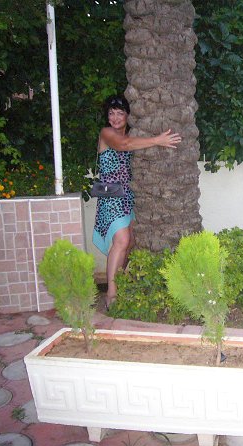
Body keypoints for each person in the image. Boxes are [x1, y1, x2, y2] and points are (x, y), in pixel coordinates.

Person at [92, 95, 182, 309]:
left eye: (120, 113)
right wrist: (157, 140)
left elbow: (131, 143)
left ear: (128, 116)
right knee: (122, 240)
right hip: (112, 197)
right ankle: (111, 294)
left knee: (130, 241)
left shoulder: (133, 136)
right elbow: (124, 145)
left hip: (129, 197)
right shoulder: (107, 133)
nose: (114, 118)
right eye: (111, 113)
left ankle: (120, 283)